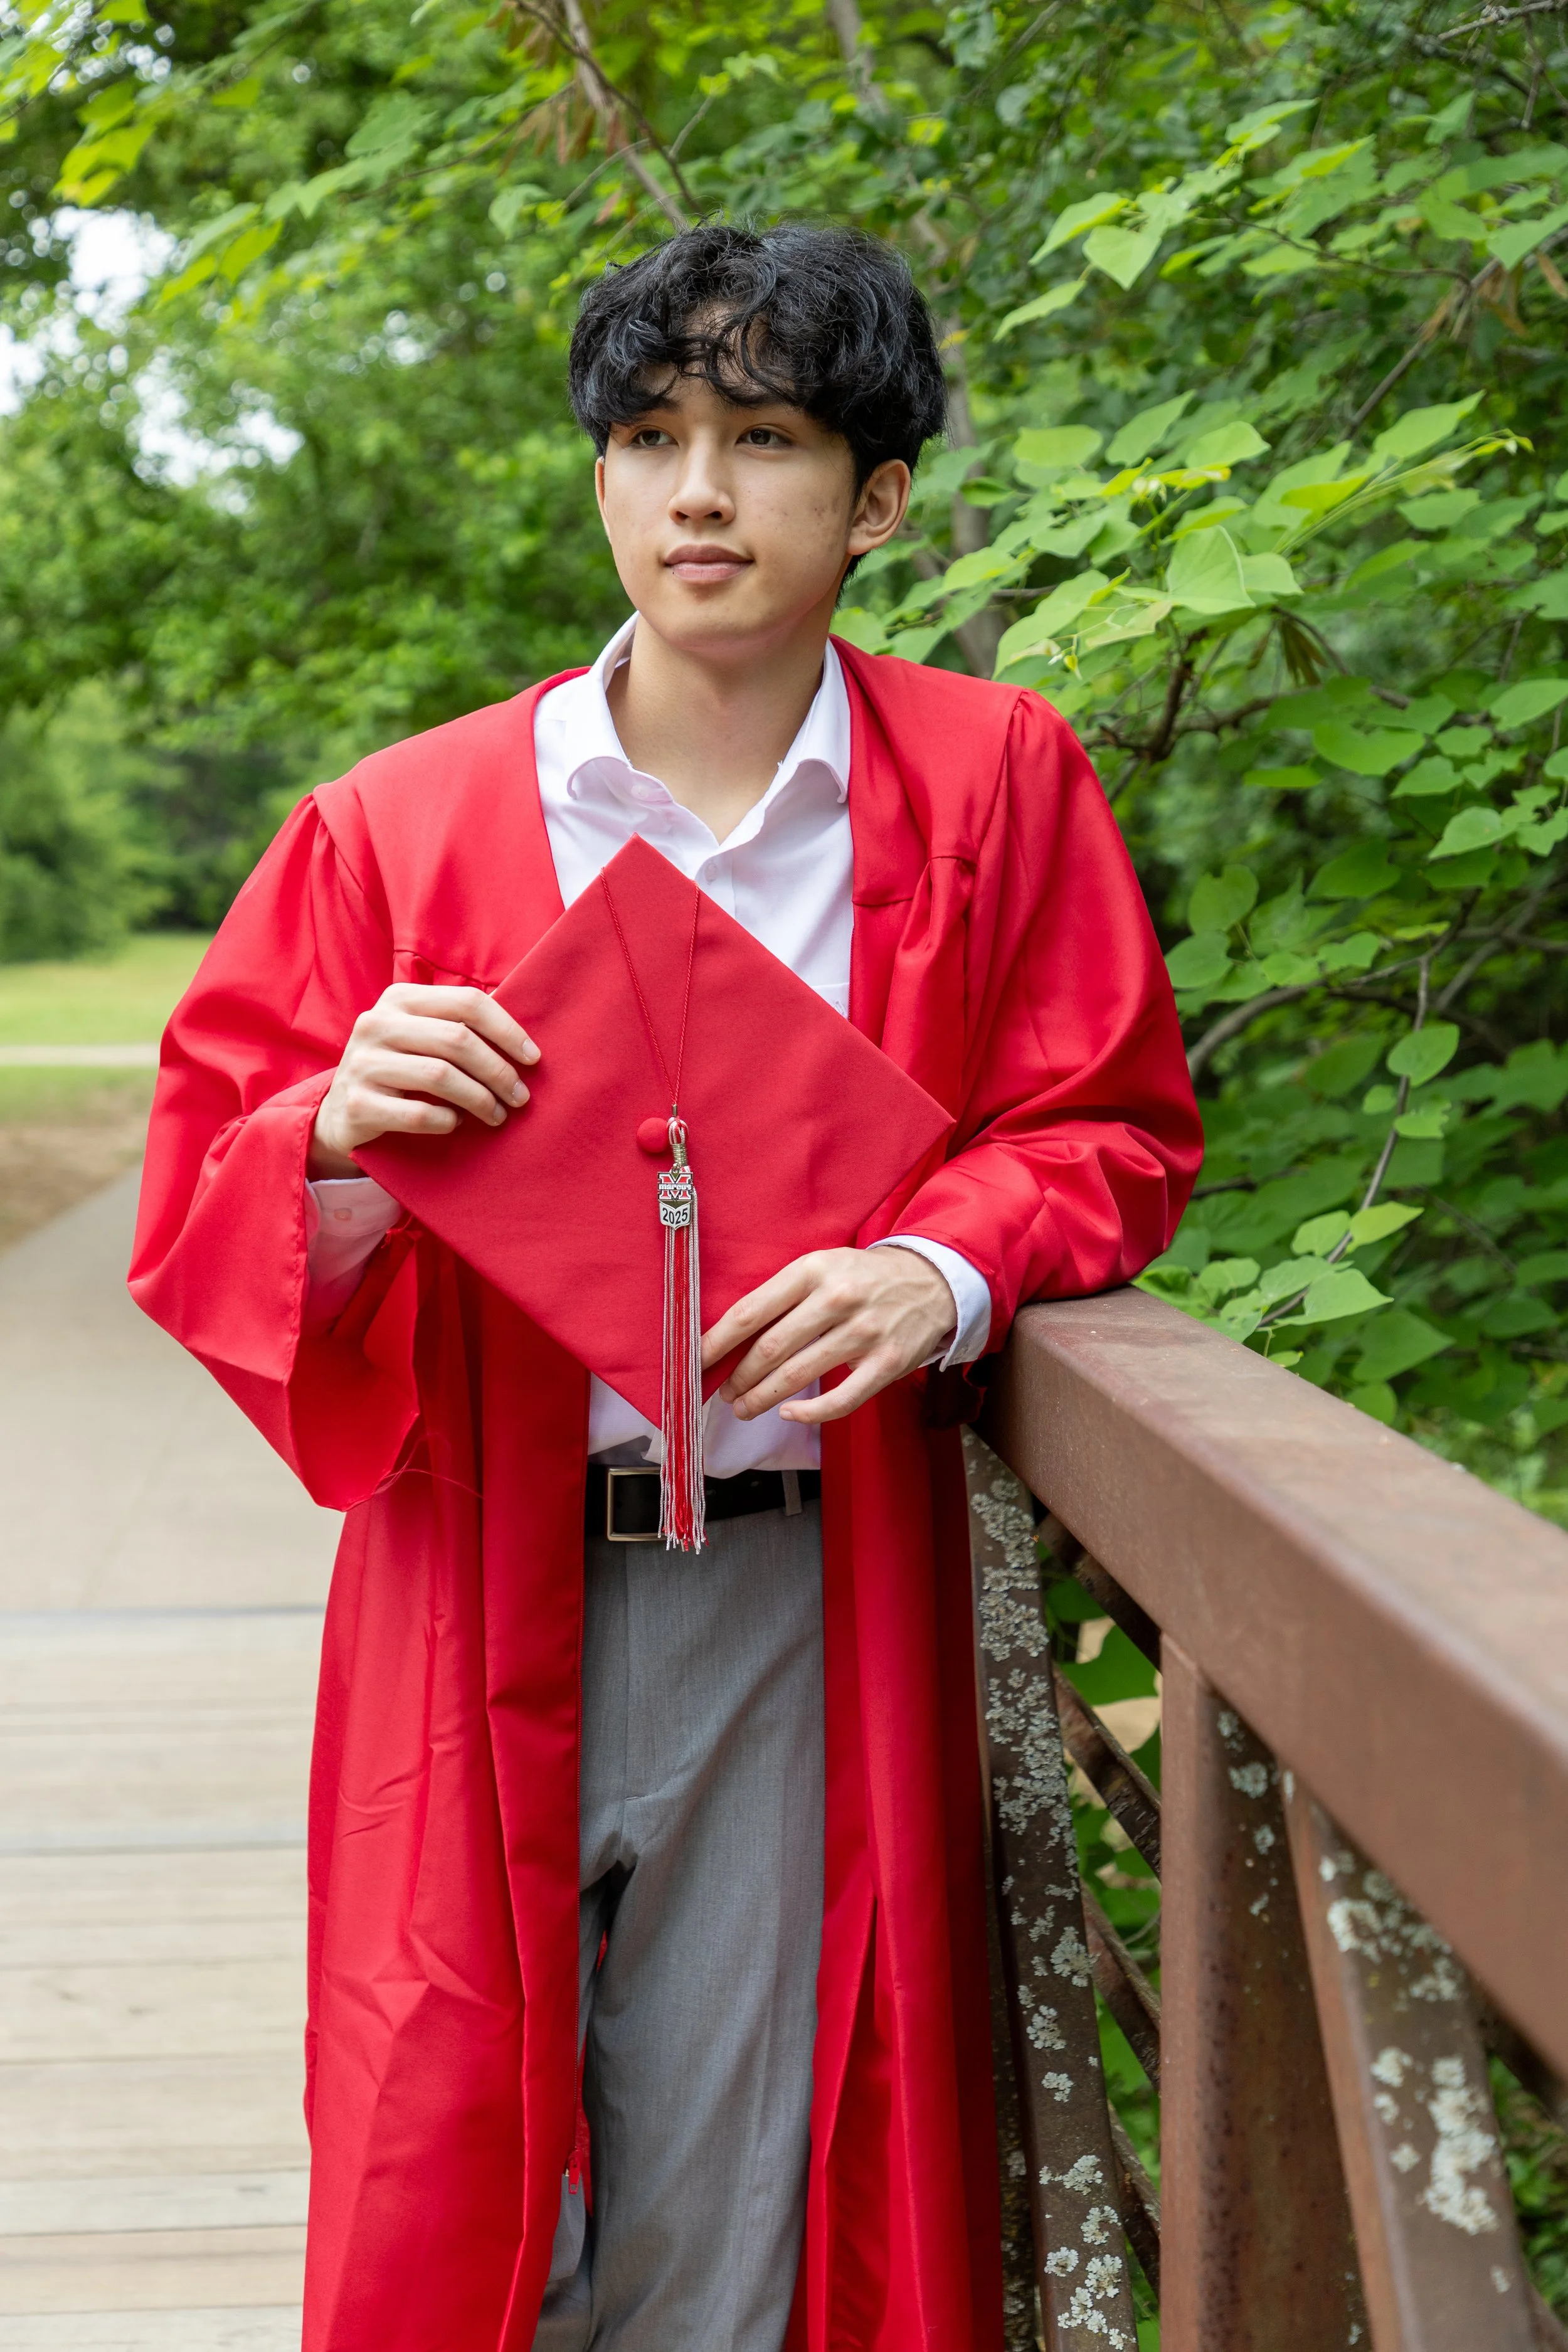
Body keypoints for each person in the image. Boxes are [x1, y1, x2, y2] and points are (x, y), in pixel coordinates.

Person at [130, 221, 1202, 2352]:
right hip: (476, 1565)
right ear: (601, 477)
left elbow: (1108, 1129)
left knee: (736, 2200)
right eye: (647, 437)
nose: (696, 490)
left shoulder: (984, 786)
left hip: (802, 1589)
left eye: (765, 436)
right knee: (447, 2166)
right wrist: (334, 1133)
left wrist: (939, 1264)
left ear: (874, 495)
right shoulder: (407, 822)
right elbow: (206, 1199)